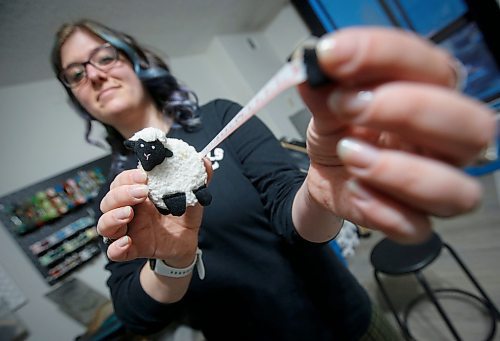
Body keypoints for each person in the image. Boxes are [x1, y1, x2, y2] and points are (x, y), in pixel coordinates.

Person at [51, 19, 496, 340]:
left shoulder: (220, 117)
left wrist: (322, 190)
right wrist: (173, 261)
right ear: (76, 97)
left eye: (103, 56)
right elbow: (136, 314)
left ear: (134, 61)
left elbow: (290, 210)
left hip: (343, 322)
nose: (93, 74)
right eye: (75, 73)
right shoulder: (116, 196)